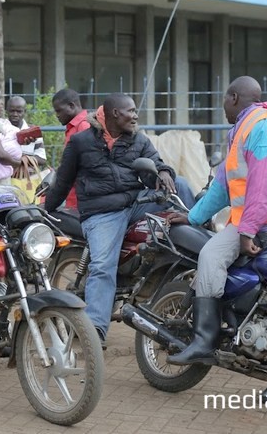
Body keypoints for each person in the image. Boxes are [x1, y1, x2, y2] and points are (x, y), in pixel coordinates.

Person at [167, 76, 267, 367]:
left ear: (234, 97)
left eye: (224, 99)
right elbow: (223, 185)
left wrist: (247, 231)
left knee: (211, 255)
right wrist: (194, 216)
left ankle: (203, 342)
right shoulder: (248, 128)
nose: (223, 105)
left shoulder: (262, 127)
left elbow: (265, 188)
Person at [44, 93, 178, 348]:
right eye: (131, 111)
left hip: (136, 203)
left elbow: (155, 164)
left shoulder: (138, 139)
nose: (136, 116)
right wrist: (46, 210)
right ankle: (95, 330)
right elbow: (62, 181)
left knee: (179, 186)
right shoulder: (81, 142)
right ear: (115, 114)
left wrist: (162, 173)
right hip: (103, 212)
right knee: (103, 265)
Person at [52, 88, 90, 210]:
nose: (57, 115)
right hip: (72, 193)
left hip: (81, 195)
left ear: (71, 106)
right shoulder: (73, 127)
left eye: (59, 111)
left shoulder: (84, 126)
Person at [6, 96, 46, 166]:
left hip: (27, 175)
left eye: (19, 111)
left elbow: (42, 159)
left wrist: (23, 159)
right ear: (7, 110)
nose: (15, 114)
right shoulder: (0, 130)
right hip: (5, 175)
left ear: (25, 112)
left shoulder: (32, 131)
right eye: (12, 111)